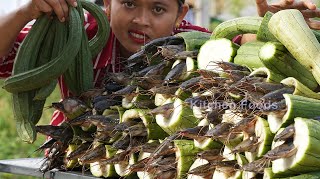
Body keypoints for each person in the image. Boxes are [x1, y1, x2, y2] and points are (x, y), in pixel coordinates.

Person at [0, 0, 319, 127]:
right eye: (128, 3)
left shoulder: (196, 42)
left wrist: (276, 26)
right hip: (73, 153)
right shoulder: (76, 33)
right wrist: (22, 13)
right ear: (107, 6)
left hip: (153, 158)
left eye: (157, 9)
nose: (141, 20)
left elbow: (246, 54)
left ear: (181, 15)